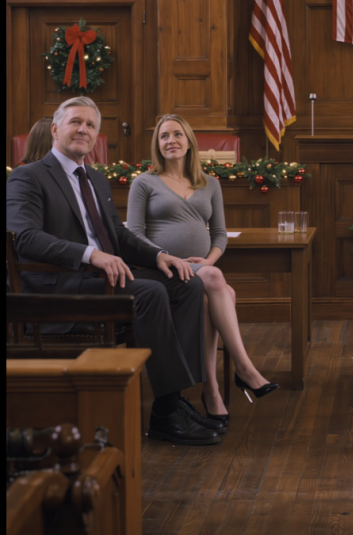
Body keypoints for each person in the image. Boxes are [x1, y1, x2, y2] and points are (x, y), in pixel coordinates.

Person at [6, 97, 224, 446]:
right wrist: (91, 255)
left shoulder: (94, 177)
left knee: (186, 282)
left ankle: (172, 401)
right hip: (57, 288)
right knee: (150, 292)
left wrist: (160, 257)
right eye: (76, 121)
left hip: (101, 281)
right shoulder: (28, 177)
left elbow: (119, 235)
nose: (84, 130)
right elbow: (26, 239)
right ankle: (167, 412)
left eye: (91, 125)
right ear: (56, 129)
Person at [127, 114, 279, 426]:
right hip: (162, 271)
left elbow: (220, 233)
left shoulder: (210, 183)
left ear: (189, 142)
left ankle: (211, 392)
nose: (171, 141)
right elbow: (135, 235)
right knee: (214, 279)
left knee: (214, 293)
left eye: (178, 135)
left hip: (198, 274)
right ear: (157, 144)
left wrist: (208, 260)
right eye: (164, 136)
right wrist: (165, 257)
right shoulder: (144, 183)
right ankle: (245, 369)